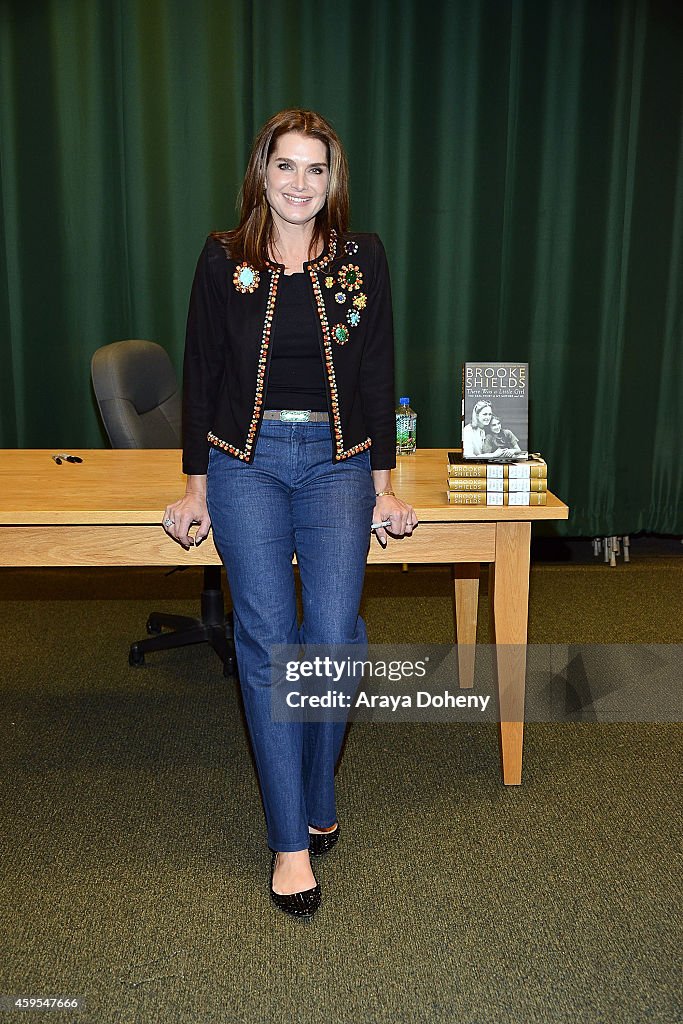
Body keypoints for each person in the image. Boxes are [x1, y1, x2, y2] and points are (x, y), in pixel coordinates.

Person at [162, 109, 418, 920]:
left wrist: (385, 484)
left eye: (315, 169)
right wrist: (196, 485)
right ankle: (288, 843)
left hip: (338, 465)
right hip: (244, 462)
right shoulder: (221, 260)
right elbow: (200, 368)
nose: (299, 183)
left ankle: (315, 781)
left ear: (330, 180)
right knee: (269, 641)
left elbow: (376, 369)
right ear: (261, 174)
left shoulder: (360, 258)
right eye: (285, 167)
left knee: (336, 632)